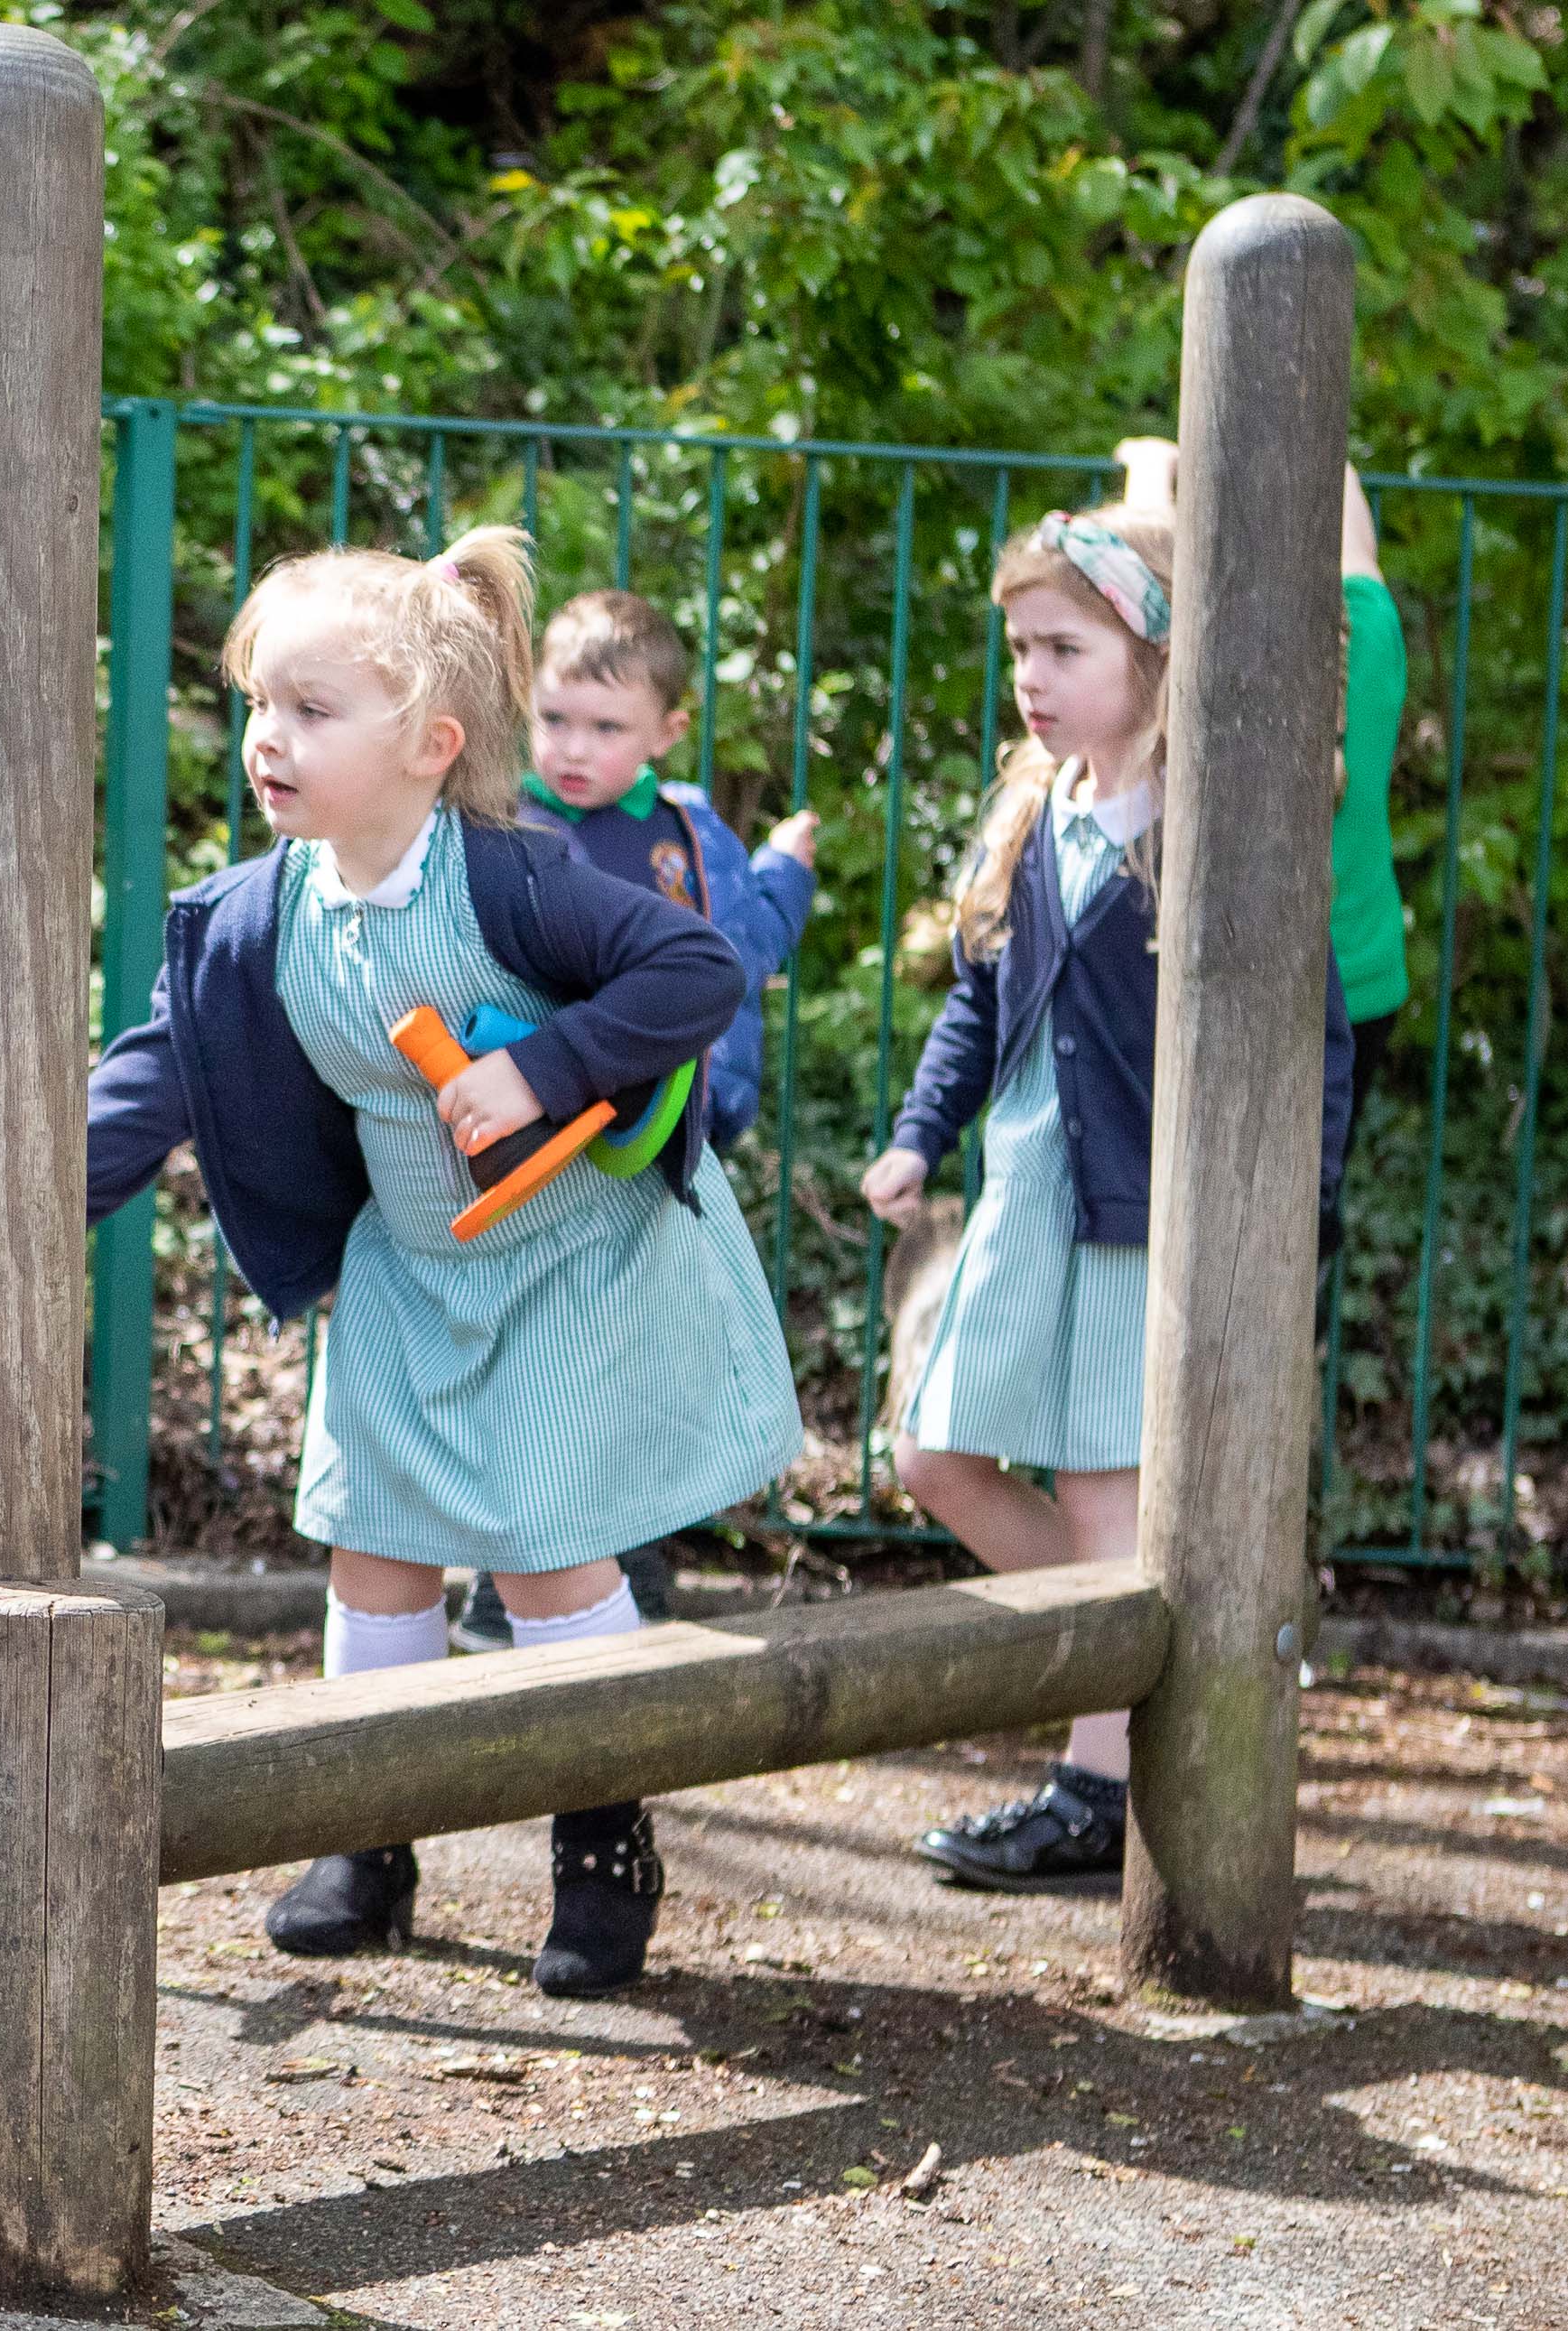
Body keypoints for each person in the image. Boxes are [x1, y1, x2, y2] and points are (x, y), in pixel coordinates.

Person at [83, 530, 800, 1997]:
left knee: (543, 1551)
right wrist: (17, 1206)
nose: (268, 739)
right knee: (375, 1536)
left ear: (431, 743)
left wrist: (544, 1065)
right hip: (409, 1259)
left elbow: (695, 970)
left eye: (310, 710)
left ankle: (600, 1839)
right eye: (258, 706)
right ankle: (366, 1831)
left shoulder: (515, 880)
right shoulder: (251, 918)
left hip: (561, 1256)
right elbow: (157, 1081)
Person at [862, 504, 1352, 1893]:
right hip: (1023, 1193)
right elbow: (975, 1002)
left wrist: (1295, 1204)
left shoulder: (1212, 821)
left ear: (1153, 652)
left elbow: (1308, 1024)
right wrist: (915, 1137)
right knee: (934, 1454)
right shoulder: (1035, 805)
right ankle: (1161, 1665)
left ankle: (1092, 1782)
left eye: (1062, 646)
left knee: (1097, 1483)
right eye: (1020, 645)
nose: (1030, 672)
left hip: (1142, 1213)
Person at [447, 586, 821, 1649]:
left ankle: (632, 1566)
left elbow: (737, 952)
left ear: (666, 730)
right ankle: (508, 1579)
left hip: (665, 1137)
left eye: (607, 727)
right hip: (541, 1131)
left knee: (634, 1359)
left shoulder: (689, 834)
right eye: (556, 719)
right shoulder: (508, 822)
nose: (572, 747)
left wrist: (786, 873)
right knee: (534, 1354)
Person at [1116, 437, 1406, 1259]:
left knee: (1192, 1194)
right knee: (1302, 1205)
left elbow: (1131, 561)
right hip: (1360, 983)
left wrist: (1152, 460)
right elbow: (1341, 483)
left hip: (1236, 980)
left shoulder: (1205, 676)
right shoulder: (1371, 638)